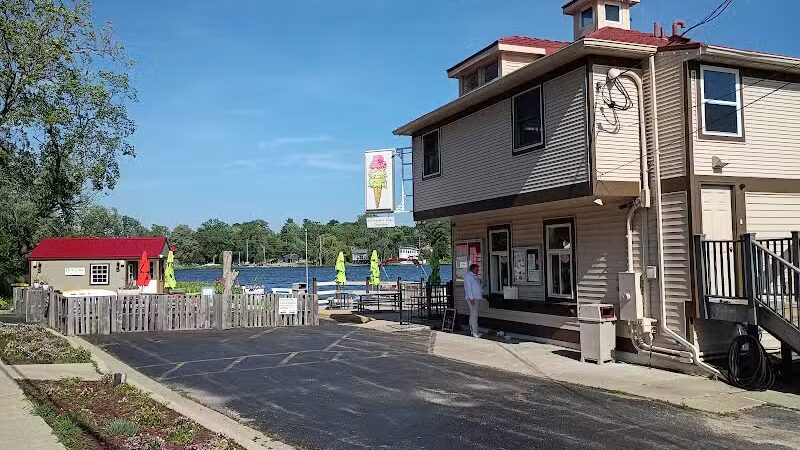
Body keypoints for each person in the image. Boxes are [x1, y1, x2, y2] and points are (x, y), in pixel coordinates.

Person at [463, 264, 482, 338]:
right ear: (472, 269)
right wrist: (471, 298)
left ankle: (473, 330)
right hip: (472, 299)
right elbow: (468, 289)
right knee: (474, 315)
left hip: (476, 298)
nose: (477, 271)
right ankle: (474, 332)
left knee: (473, 314)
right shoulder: (469, 277)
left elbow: (477, 287)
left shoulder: (474, 277)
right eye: (476, 269)